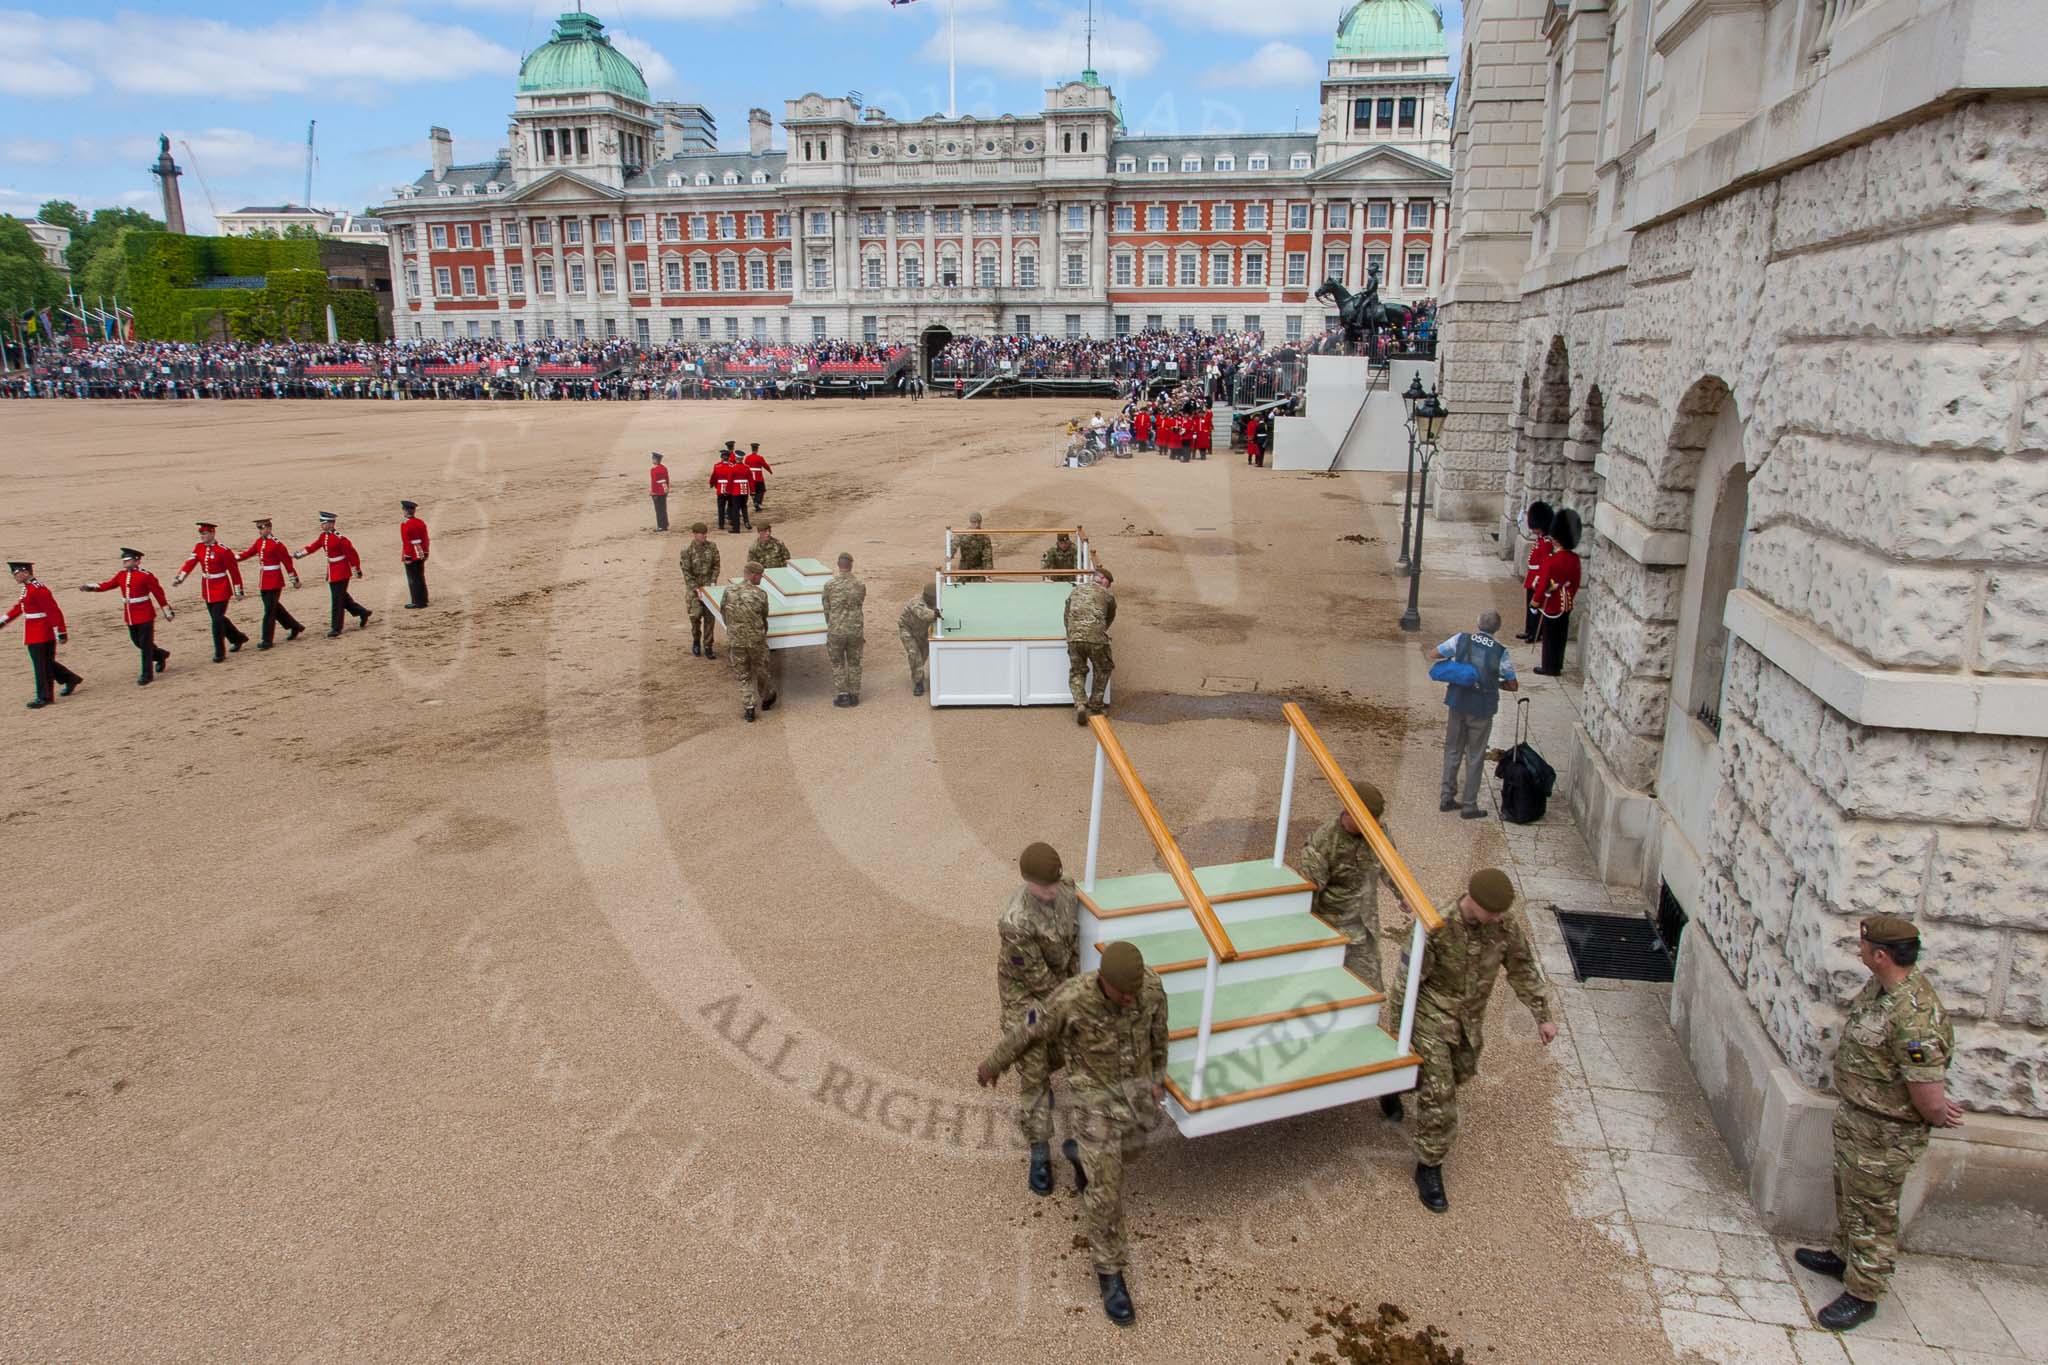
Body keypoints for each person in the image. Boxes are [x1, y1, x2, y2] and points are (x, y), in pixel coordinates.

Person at [978, 940, 1166, 1327]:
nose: (1130, 1000)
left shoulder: (1149, 988)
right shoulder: (1070, 999)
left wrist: (1158, 1078)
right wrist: (993, 1063)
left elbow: (1159, 1033)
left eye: (1134, 993)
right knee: (1107, 1190)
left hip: (1134, 1093)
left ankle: (1077, 1153)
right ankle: (1110, 1273)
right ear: (1102, 981)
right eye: (1122, 995)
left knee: (1133, 1151)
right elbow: (1028, 1030)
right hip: (1095, 1101)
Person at [1795, 916, 1960, 1334]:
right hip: (1859, 1120)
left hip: (1886, 1134)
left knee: (1873, 1212)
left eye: (1864, 946)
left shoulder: (1914, 1016)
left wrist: (1937, 1112)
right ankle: (1844, 1255)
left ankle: (1864, 1293)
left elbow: (1927, 1090)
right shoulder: (1881, 989)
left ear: (1881, 955)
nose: (1859, 951)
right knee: (1850, 1194)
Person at [1392, 868, 1556, 1213]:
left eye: (1500, 913)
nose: (1497, 917)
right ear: (1474, 901)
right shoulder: (1435, 926)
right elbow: (1405, 985)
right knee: (1441, 1092)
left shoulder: (1504, 927)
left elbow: (1523, 968)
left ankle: (1393, 1086)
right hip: (1431, 1015)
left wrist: (1543, 1016)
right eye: (1492, 911)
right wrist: (1398, 1040)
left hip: (1468, 1021)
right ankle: (1430, 1166)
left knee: (1460, 1073)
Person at [996, 842, 1081, 1193]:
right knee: (1033, 1065)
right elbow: (1040, 983)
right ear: (1029, 882)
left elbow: (1075, 938)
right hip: (1027, 997)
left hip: (1064, 981)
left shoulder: (1066, 890)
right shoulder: (1015, 923)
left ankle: (1086, 1142)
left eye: (1055, 884)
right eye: (1045, 886)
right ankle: (1039, 1148)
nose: (1052, 892)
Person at [1297, 777, 1399, 1040]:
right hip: (1331, 932)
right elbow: (1306, 895)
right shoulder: (1323, 842)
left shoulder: (1378, 832)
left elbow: (1392, 868)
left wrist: (1404, 895)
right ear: (1350, 813)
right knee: (1321, 998)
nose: (1374, 826)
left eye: (1376, 821)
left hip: (1364, 930)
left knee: (1371, 994)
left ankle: (1364, 1045)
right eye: (1368, 820)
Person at [1432, 610, 1519, 819]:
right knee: (1475, 755)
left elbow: (1435, 653)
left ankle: (1446, 796)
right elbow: (1513, 684)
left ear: (1477, 623)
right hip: (1482, 707)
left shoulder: (1461, 639)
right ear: (1497, 629)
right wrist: (1494, 683)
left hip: (1458, 701)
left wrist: (1458, 670)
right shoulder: (1501, 652)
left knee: (1453, 749)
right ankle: (1469, 805)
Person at [80, 548, 172, 685]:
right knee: (138, 642)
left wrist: (166, 610)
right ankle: (160, 655)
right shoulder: (121, 575)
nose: (125, 562)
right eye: (124, 560)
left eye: (128, 560)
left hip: (145, 613)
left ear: (137, 561)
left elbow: (158, 593)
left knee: (146, 645)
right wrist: (92, 587)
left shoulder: (146, 576)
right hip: (130, 614)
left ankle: (147, 674)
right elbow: (108, 585)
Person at [6, 559, 81, 707]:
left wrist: (60, 631)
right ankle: (70, 678)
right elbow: (20, 607)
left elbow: (53, 611)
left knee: (41, 666)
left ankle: (45, 696)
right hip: (33, 630)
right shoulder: (28, 588)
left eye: (16, 573)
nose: (15, 576)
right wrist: (4, 620)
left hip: (42, 632)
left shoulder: (38, 590)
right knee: (45, 663)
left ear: (25, 572)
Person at [173, 522, 248, 662]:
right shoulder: (199, 548)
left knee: (217, 621)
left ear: (212, 533)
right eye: (201, 534)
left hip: (221, 588)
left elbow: (234, 571)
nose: (202, 536)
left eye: (205, 533)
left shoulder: (223, 550)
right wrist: (180, 577)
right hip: (207, 588)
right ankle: (238, 638)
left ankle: (220, 652)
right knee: (217, 618)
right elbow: (190, 563)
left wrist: (238, 590)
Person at [296, 512, 371, 637]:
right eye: (322, 523)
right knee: (342, 598)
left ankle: (336, 627)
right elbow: (313, 547)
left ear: (331, 524)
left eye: (324, 523)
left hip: (342, 571)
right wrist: (299, 554)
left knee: (337, 600)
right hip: (332, 570)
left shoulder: (339, 539)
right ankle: (362, 612)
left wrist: (356, 569)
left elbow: (352, 554)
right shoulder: (323, 537)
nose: (322, 526)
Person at [237, 518, 304, 648]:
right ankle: (295, 626)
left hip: (274, 580)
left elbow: (287, 563)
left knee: (269, 611)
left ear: (269, 528)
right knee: (275, 608)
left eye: (262, 528)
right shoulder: (259, 542)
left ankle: (267, 640)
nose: (261, 531)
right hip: (264, 580)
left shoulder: (276, 544)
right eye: (259, 529)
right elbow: (248, 553)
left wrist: (294, 580)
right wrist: (232, 558)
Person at [723, 560, 776, 722]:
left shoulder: (728, 591)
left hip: (736, 641)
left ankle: (749, 708)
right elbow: (764, 616)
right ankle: (766, 698)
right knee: (762, 670)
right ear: (753, 575)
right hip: (756, 641)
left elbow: (724, 614)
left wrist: (734, 631)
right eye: (760, 575)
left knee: (744, 675)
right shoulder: (760, 594)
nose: (761, 578)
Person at [1530, 510, 1581, 676]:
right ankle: (1557, 665)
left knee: (1550, 637)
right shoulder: (1574, 559)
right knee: (1561, 636)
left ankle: (1548, 667)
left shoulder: (1552, 561)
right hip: (1566, 602)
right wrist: (1567, 595)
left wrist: (1535, 602)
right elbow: (1575, 583)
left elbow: (1543, 584)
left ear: (1556, 539)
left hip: (1551, 603)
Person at [1064, 565, 1116, 726]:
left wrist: (1072, 634)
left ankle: (1080, 704)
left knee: (1077, 672)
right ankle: (1095, 706)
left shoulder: (1075, 591)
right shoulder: (1107, 595)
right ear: (1104, 580)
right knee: (1103, 668)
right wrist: (1100, 632)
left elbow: (1066, 616)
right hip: (1096, 638)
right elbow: (1109, 617)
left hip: (1074, 638)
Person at [821, 551, 866, 707]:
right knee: (854, 662)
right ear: (851, 565)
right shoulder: (860, 584)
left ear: (838, 565)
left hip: (837, 629)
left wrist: (831, 624)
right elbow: (860, 603)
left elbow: (826, 608)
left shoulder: (829, 585)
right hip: (855, 629)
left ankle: (843, 694)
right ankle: (854, 695)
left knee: (837, 662)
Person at [678, 522, 721, 660]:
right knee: (695, 616)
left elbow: (716, 565)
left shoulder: (712, 547)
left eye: (705, 533)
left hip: (708, 587)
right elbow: (687, 573)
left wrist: (713, 581)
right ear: (695, 534)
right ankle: (696, 640)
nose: (704, 536)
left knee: (710, 618)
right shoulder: (687, 551)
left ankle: (708, 646)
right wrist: (695, 588)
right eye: (702, 534)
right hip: (694, 589)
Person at [1517, 501, 1556, 642]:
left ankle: (1535, 633)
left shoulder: (1546, 542)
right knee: (1530, 606)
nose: (1533, 530)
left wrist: (1540, 581)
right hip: (1532, 577)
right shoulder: (1541, 539)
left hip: (1537, 579)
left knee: (1536, 607)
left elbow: (1545, 565)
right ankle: (1529, 630)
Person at [899, 583, 939, 698]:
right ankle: (918, 682)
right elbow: (924, 614)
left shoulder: (937, 601)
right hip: (908, 630)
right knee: (914, 655)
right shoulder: (916, 602)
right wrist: (936, 613)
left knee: (922, 656)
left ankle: (918, 673)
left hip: (924, 632)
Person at [399, 500, 431, 608]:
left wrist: (407, 556)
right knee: (420, 577)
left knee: (413, 579)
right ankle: (423, 599)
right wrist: (425, 551)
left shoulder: (405, 524)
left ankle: (417, 601)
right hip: (421, 551)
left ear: (405, 511)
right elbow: (425, 538)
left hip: (412, 553)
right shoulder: (420, 522)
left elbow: (406, 542)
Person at [954, 512, 993, 583]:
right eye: (974, 522)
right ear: (970, 522)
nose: (977, 525)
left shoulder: (985, 537)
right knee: (962, 588)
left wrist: (988, 574)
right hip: (964, 565)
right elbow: (954, 544)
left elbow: (988, 556)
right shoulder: (963, 534)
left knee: (980, 589)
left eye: (979, 522)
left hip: (979, 566)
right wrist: (950, 554)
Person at [710, 448, 740, 533]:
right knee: (731, 506)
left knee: (721, 508)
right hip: (730, 489)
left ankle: (721, 524)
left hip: (720, 488)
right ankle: (731, 520)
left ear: (722, 457)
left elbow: (714, 477)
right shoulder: (732, 466)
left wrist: (714, 485)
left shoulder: (717, 466)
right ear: (729, 457)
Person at [744, 442, 772, 512]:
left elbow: (745, 467)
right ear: (757, 449)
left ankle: (756, 504)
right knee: (762, 490)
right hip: (758, 477)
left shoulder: (747, 458)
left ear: (752, 449)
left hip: (750, 478)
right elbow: (765, 465)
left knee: (753, 491)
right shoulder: (759, 457)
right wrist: (770, 471)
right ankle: (757, 502)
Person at [648, 451, 671, 532]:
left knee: (658, 510)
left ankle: (661, 526)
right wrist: (667, 489)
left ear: (656, 460)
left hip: (657, 492)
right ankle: (665, 525)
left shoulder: (654, 470)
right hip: (664, 491)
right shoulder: (664, 468)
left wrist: (653, 492)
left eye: (653, 459)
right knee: (663, 509)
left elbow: (654, 482)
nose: (652, 460)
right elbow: (666, 480)